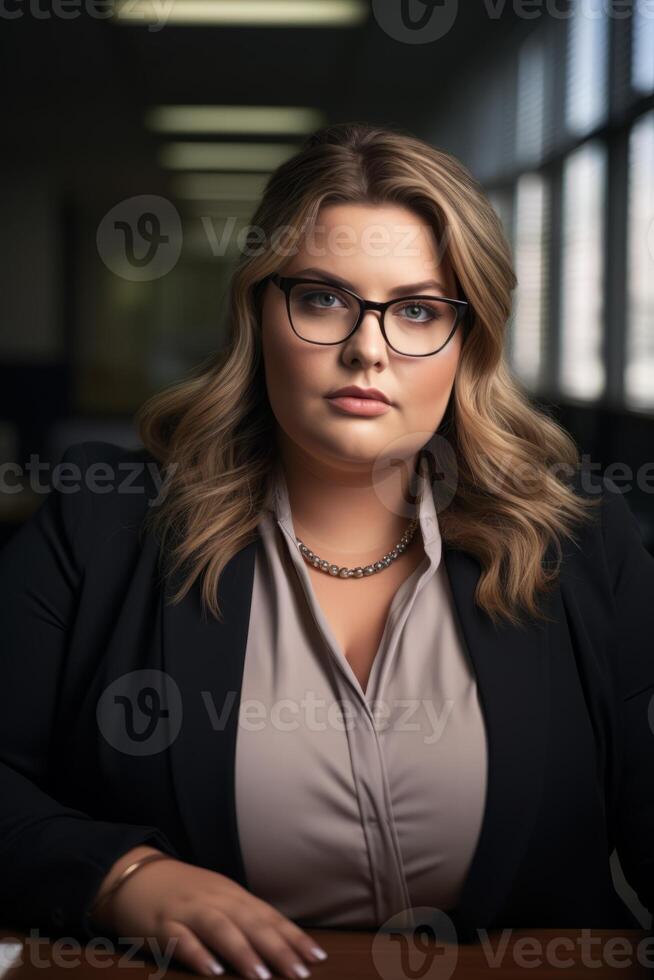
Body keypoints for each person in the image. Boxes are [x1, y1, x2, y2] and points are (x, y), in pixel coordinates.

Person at [0, 122, 652, 980]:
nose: (367, 349)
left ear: (469, 342)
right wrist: (122, 877)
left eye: (418, 310)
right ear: (259, 310)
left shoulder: (583, 547)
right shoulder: (103, 526)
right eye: (322, 298)